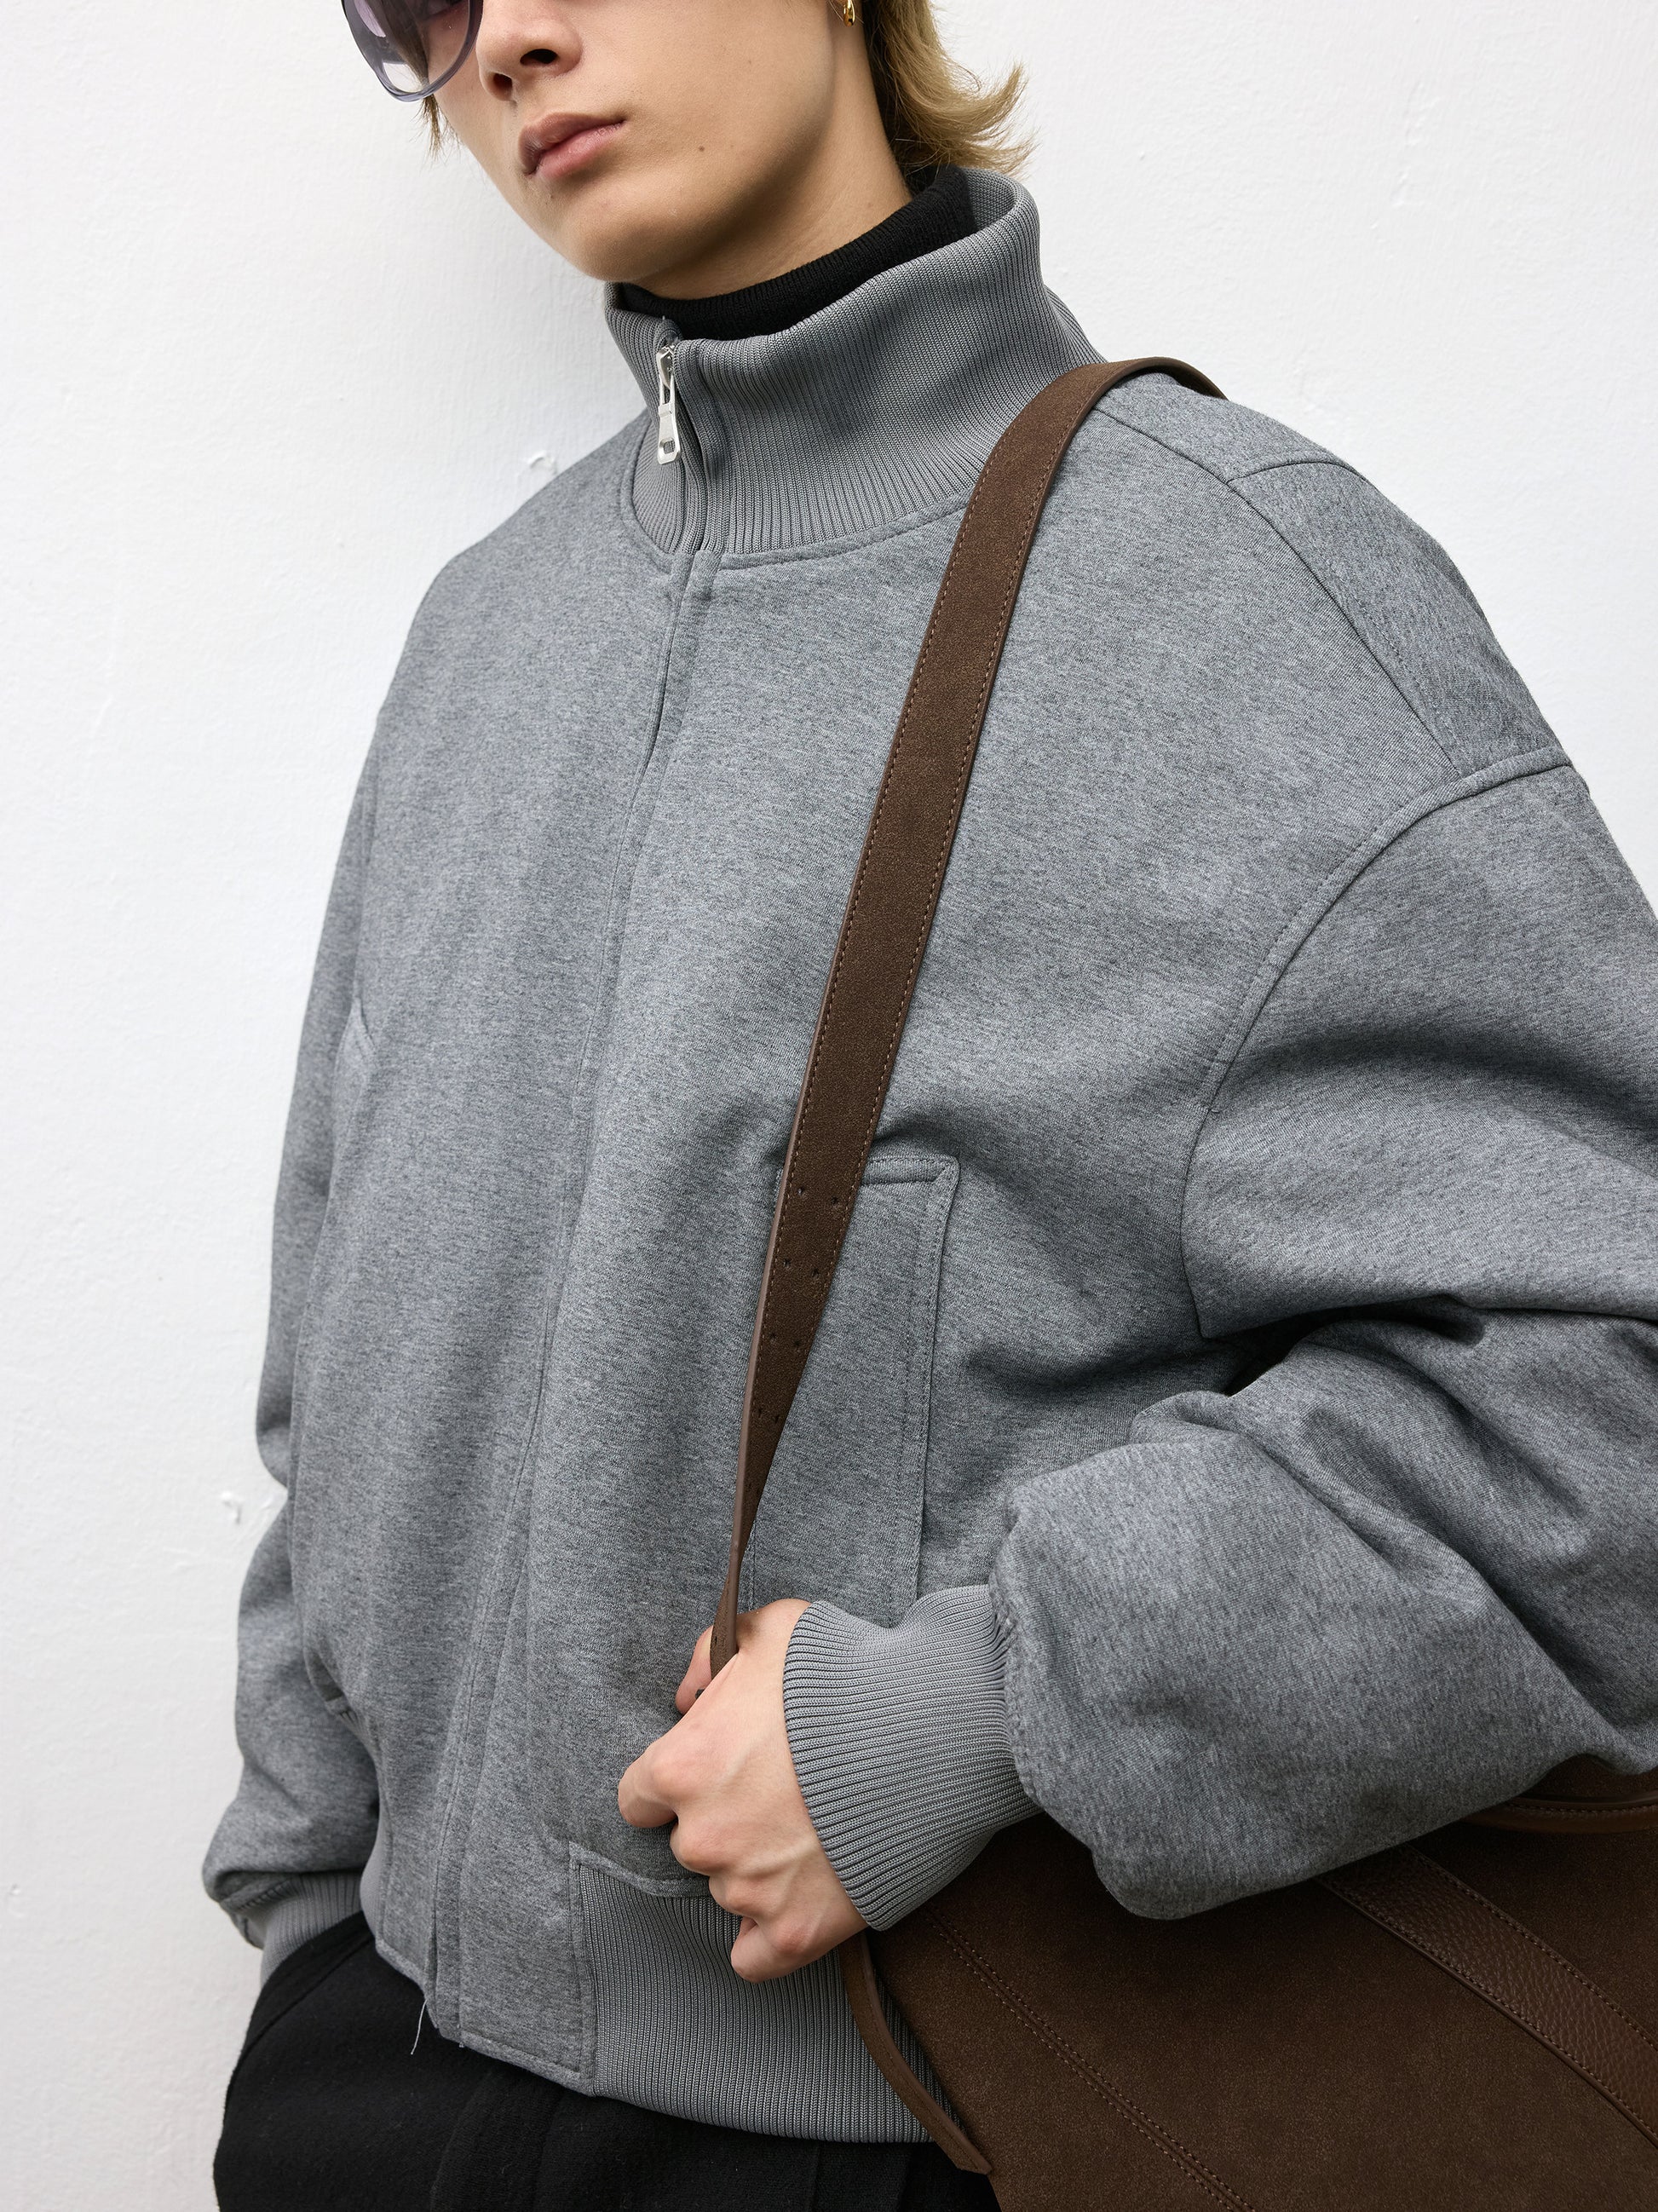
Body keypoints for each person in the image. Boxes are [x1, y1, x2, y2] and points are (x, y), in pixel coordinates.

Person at [204, 2, 1658, 2205]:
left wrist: (983, 1707)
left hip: (905, 2122)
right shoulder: (484, 633)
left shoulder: (1225, 583)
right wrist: (310, 1906)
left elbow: (1602, 1386)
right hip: (378, 2072)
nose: (510, 40)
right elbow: (342, 1346)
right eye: (423, 1)